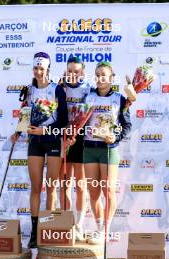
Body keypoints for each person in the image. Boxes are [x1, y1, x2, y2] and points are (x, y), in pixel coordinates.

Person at [11, 52, 68, 248]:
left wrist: (46, 129)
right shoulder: (28, 90)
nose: (38, 72)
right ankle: (35, 233)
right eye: (35, 68)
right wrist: (18, 133)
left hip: (52, 139)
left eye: (41, 68)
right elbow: (25, 115)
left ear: (48, 69)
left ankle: (48, 230)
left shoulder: (57, 90)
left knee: (51, 186)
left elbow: (64, 121)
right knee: (36, 187)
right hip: (35, 140)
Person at [83, 61, 132, 244]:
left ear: (111, 78)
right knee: (93, 193)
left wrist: (116, 138)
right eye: (97, 74)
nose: (100, 78)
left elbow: (127, 125)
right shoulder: (88, 97)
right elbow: (80, 123)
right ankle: (98, 227)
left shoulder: (119, 98)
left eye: (104, 75)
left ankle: (106, 230)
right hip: (89, 149)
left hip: (109, 150)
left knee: (109, 191)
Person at [59, 57, 91, 241]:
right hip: (62, 137)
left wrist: (75, 134)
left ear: (82, 73)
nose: (73, 74)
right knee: (65, 184)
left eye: (76, 71)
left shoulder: (88, 89)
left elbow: (88, 113)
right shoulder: (60, 87)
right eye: (70, 70)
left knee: (80, 185)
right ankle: (66, 222)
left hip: (79, 139)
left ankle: (79, 225)